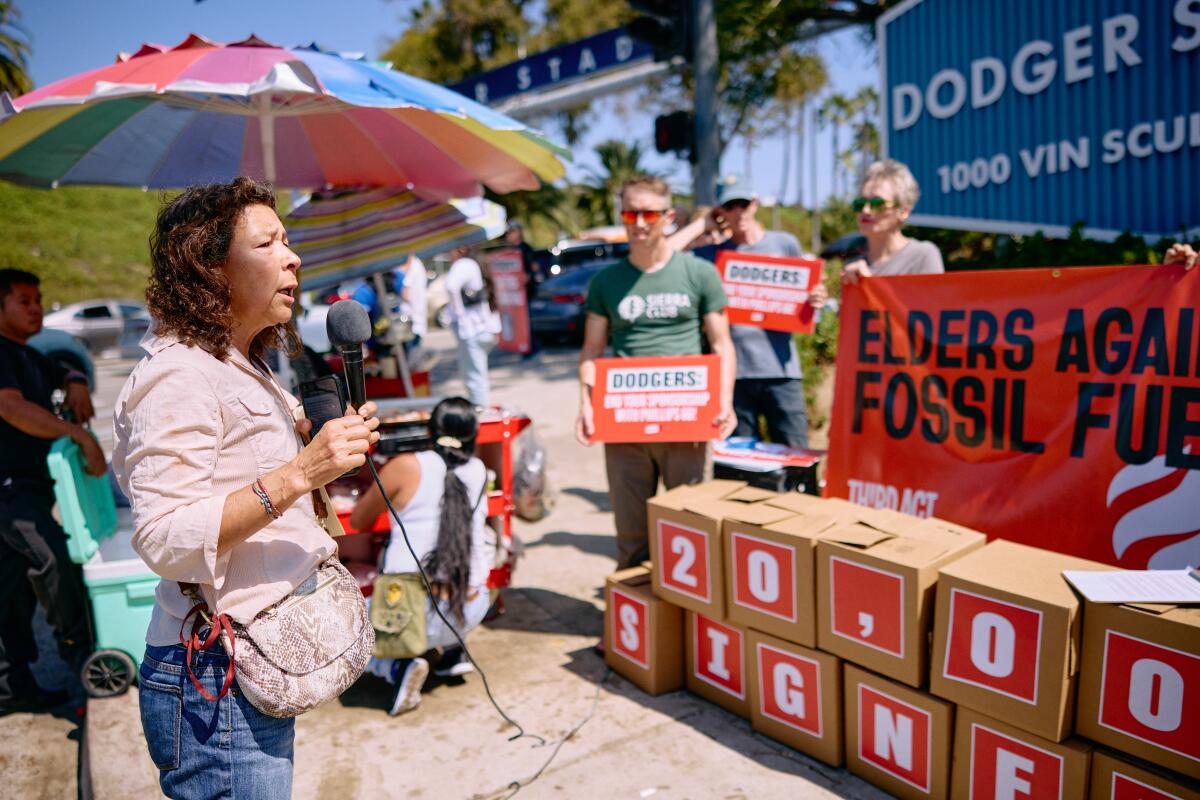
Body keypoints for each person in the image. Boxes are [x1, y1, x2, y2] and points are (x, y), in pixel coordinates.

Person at [111, 178, 380, 800]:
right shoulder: (178, 374)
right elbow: (162, 538)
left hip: (242, 665)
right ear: (211, 267)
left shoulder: (236, 362)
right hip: (215, 679)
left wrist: (316, 450)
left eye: (288, 240)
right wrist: (300, 472)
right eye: (269, 243)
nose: (294, 257)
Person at [576, 175, 737, 571]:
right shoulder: (606, 282)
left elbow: (721, 344)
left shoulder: (699, 274)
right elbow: (592, 350)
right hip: (624, 425)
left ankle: (687, 628)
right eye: (631, 212)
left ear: (668, 216)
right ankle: (633, 628)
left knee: (689, 534)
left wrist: (725, 402)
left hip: (686, 420)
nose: (640, 222)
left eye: (649, 212)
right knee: (632, 538)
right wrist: (586, 405)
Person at [0, 268, 103, 714]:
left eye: (38, 299)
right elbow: (11, 407)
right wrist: (79, 435)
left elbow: (61, 367)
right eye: (23, 300)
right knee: (53, 560)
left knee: (12, 590)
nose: (36, 307)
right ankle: (80, 652)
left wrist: (75, 380)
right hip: (8, 491)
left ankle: (11, 686)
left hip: (29, 488)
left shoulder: (26, 355)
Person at [349, 397, 493, 716]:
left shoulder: (405, 465)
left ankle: (396, 669)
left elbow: (358, 521)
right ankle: (453, 653)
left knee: (347, 632)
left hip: (410, 617)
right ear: (474, 435)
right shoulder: (479, 469)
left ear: (429, 430)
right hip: (471, 607)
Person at [694, 175, 815, 448]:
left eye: (743, 203)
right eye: (730, 206)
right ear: (720, 211)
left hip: (782, 371)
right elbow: (666, 254)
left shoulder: (785, 243)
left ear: (755, 204)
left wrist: (816, 297)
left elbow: (806, 297)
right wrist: (702, 224)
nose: (738, 212)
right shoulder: (710, 255)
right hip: (735, 376)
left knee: (796, 456)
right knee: (739, 463)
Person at [812, 160, 943, 309]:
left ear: (903, 211)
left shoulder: (923, 255)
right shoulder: (852, 256)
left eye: (877, 204)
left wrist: (871, 284)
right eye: (860, 204)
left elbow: (931, 322)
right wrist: (819, 301)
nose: (866, 211)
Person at [443, 245, 501, 406]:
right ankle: (480, 409)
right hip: (482, 328)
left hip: (471, 329)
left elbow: (450, 286)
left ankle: (480, 414)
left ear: (460, 249)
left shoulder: (463, 264)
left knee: (474, 377)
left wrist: (459, 314)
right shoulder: (475, 263)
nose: (448, 253)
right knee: (478, 375)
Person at [399, 254, 428, 357]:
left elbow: (406, 294)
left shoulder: (412, 268)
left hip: (411, 321)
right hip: (416, 319)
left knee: (409, 359)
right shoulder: (418, 264)